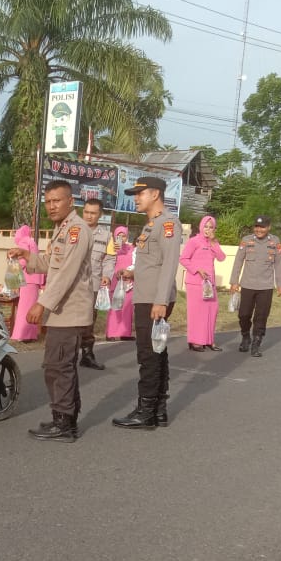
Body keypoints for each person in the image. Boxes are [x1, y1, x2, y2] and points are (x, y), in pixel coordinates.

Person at [7, 180, 93, 442]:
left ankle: (65, 424)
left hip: (69, 311)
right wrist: (26, 255)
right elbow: (51, 264)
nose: (52, 206)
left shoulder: (77, 230)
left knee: (59, 366)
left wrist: (42, 303)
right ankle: (63, 418)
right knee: (58, 366)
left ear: (71, 201)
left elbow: (66, 273)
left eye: (57, 200)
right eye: (48, 201)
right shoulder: (62, 229)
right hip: (61, 310)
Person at [113, 177, 182, 430]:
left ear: (155, 194)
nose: (135, 198)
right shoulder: (151, 225)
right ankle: (158, 410)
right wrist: (133, 273)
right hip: (146, 296)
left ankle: (145, 411)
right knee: (157, 352)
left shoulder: (168, 224)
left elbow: (169, 264)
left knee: (148, 355)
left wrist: (161, 301)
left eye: (139, 194)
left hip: (154, 300)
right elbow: (152, 263)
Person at [229, 215, 281, 357]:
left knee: (261, 316)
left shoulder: (275, 242)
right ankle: (246, 336)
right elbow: (238, 262)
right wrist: (234, 281)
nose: (259, 230)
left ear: (268, 227)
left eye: (262, 227)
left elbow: (279, 264)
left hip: (265, 287)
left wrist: (280, 284)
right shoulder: (246, 241)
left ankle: (256, 343)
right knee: (243, 315)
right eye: (257, 227)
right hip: (247, 285)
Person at [179, 215, 226, 351]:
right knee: (197, 312)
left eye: (211, 227)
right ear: (201, 226)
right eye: (206, 226)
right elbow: (183, 259)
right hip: (195, 283)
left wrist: (213, 243)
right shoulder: (194, 241)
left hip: (209, 284)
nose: (208, 229)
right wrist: (197, 269)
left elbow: (222, 258)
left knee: (212, 310)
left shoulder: (213, 242)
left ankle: (208, 340)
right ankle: (195, 341)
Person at [79, 197, 109, 370]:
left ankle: (87, 355)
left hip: (94, 284)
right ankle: (66, 355)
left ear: (100, 215)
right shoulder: (73, 230)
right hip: (73, 284)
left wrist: (107, 275)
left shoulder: (106, 236)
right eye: (86, 212)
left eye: (93, 213)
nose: (89, 216)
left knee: (89, 320)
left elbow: (109, 258)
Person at [10, 224, 45, 342]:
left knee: (24, 308)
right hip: (34, 278)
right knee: (30, 307)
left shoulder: (24, 242)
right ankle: (30, 334)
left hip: (27, 278)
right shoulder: (32, 242)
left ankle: (21, 334)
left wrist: (12, 278)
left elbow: (22, 261)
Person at [104, 226, 135, 341]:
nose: (121, 238)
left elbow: (136, 262)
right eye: (119, 235)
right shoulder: (111, 248)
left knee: (127, 307)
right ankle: (110, 333)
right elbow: (107, 262)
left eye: (124, 236)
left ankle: (125, 333)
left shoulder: (132, 249)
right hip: (115, 281)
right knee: (114, 308)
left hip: (129, 282)